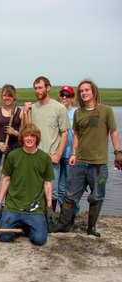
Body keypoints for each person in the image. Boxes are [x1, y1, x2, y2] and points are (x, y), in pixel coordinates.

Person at [51, 79, 122, 237]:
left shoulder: (106, 111)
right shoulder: (78, 113)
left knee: (97, 196)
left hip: (99, 163)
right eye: (81, 91)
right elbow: (76, 134)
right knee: (70, 194)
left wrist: (118, 151)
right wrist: (74, 154)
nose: (84, 93)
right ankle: (63, 223)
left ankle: (91, 227)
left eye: (86, 90)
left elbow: (113, 132)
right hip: (80, 161)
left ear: (94, 92)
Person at [0, 123, 54, 246]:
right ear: (22, 138)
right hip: (13, 206)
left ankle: (27, 227)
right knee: (4, 236)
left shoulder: (45, 158)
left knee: (39, 240)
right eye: (26, 136)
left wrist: (49, 207)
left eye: (32, 136)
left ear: (37, 138)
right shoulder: (13, 156)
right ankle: (19, 225)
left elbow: (47, 184)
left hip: (34, 209)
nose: (29, 139)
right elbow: (6, 180)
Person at [24, 76, 70, 212]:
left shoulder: (59, 108)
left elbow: (65, 132)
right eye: (35, 88)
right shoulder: (33, 108)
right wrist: (25, 112)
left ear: (48, 88)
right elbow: (26, 131)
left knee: (52, 191)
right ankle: (35, 217)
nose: (38, 91)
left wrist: (59, 154)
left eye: (40, 88)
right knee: (34, 188)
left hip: (51, 157)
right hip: (34, 156)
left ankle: (49, 218)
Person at [0, 84, 23, 226]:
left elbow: (25, 134)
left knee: (12, 181)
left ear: (14, 97)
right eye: (4, 95)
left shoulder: (20, 112)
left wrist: (16, 133)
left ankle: (8, 208)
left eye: (10, 95)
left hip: (15, 151)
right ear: (1, 97)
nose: (7, 98)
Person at [57, 85, 79, 230]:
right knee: (59, 189)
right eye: (62, 95)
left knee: (71, 189)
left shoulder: (77, 113)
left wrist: (75, 153)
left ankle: (72, 216)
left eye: (68, 95)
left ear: (72, 98)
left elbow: (80, 135)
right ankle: (64, 215)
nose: (65, 98)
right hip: (58, 155)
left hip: (72, 156)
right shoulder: (57, 111)